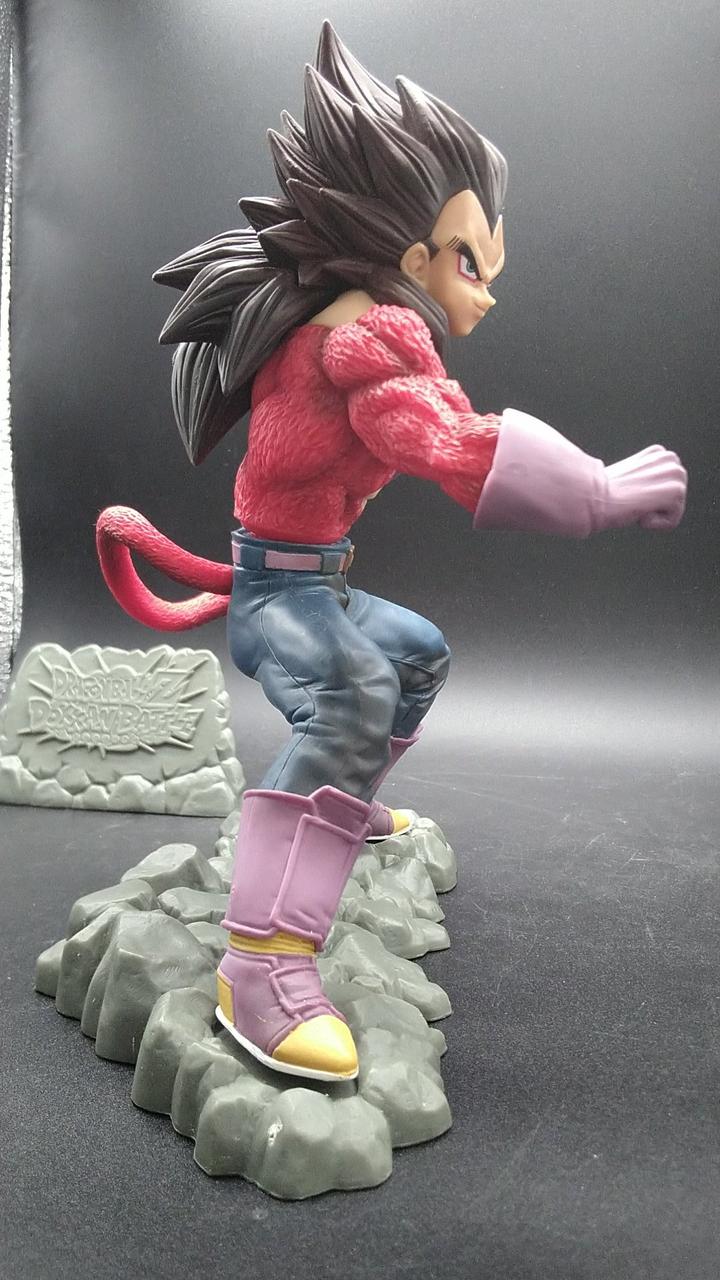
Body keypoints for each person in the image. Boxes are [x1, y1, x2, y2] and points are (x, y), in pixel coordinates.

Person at [96, 23, 687, 1083]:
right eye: (469, 261)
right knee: (357, 691)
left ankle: (344, 797)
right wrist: (595, 492)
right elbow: (448, 444)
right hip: (281, 597)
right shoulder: (365, 338)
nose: (485, 290)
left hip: (310, 584)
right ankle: (260, 964)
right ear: (411, 256)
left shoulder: (336, 319)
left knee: (414, 653)